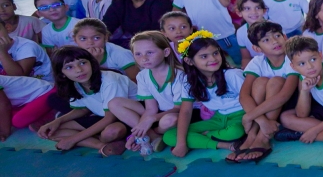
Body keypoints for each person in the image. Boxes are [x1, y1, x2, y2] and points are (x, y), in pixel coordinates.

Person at [165, 32, 252, 160]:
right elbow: (186, 111)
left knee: (235, 132)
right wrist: (181, 143)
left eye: (215, 53)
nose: (213, 59)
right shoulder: (188, 81)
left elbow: (251, 99)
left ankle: (202, 137)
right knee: (169, 136)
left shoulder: (232, 75)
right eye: (204, 56)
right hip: (218, 118)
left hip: (241, 116)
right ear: (189, 61)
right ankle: (223, 144)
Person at [37, 46, 134, 156]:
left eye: (83, 63)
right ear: (62, 73)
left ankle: (107, 139)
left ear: (91, 63)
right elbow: (83, 109)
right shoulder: (75, 83)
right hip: (102, 117)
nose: (79, 70)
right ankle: (101, 145)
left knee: (111, 132)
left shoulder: (110, 80)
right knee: (51, 133)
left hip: (128, 118)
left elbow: (110, 118)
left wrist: (73, 139)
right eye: (69, 67)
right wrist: (57, 121)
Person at [235, 21, 301, 163]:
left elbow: (285, 95)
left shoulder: (292, 58)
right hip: (266, 113)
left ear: (285, 37)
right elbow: (244, 96)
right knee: (260, 82)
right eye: (266, 40)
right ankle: (252, 135)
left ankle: (263, 138)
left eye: (277, 36)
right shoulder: (257, 62)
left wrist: (249, 116)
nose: (274, 41)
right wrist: (261, 120)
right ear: (257, 48)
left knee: (276, 81)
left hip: (291, 104)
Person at [112, 31, 183, 152]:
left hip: (179, 113)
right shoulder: (142, 76)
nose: (144, 58)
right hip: (159, 112)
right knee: (115, 103)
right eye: (138, 54)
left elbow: (179, 108)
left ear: (166, 52)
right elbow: (151, 108)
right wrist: (136, 133)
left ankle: (153, 133)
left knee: (169, 120)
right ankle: (151, 136)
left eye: (150, 52)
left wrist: (151, 119)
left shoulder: (179, 75)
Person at [280, 35, 323, 145]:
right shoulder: (303, 77)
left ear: (320, 56)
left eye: (313, 59)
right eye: (302, 63)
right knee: (286, 117)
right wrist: (305, 91)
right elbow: (302, 114)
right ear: (293, 67)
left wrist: (315, 130)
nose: (310, 66)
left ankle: (305, 134)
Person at [71, 18, 138, 81]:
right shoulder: (73, 55)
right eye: (83, 39)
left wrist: (95, 62)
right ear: (75, 39)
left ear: (105, 37)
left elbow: (136, 80)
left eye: (96, 38)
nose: (90, 43)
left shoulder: (120, 54)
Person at [234, 0, 268, 67]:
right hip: (258, 65)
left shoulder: (275, 27)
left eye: (258, 8)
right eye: (247, 8)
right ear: (239, 13)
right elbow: (246, 58)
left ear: (264, 11)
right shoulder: (240, 32)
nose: (253, 12)